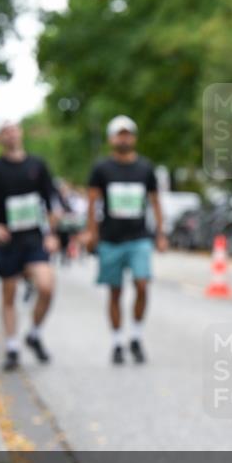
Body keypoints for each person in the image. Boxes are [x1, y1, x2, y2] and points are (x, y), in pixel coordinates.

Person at [0, 122, 60, 371]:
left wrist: (51, 233)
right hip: (8, 240)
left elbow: (53, 202)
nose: (10, 133)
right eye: (4, 131)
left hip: (34, 237)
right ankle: (12, 347)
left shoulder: (37, 165)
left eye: (13, 129)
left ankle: (35, 333)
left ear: (21, 133)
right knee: (9, 292)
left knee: (46, 286)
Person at [82, 115, 167, 365]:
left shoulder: (145, 168)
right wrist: (91, 233)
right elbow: (92, 202)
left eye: (128, 133)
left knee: (142, 284)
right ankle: (118, 341)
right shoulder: (102, 169)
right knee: (115, 291)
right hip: (111, 239)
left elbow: (155, 202)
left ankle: (137, 337)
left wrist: (161, 234)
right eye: (119, 134)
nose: (124, 138)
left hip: (139, 237)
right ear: (111, 139)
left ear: (134, 137)